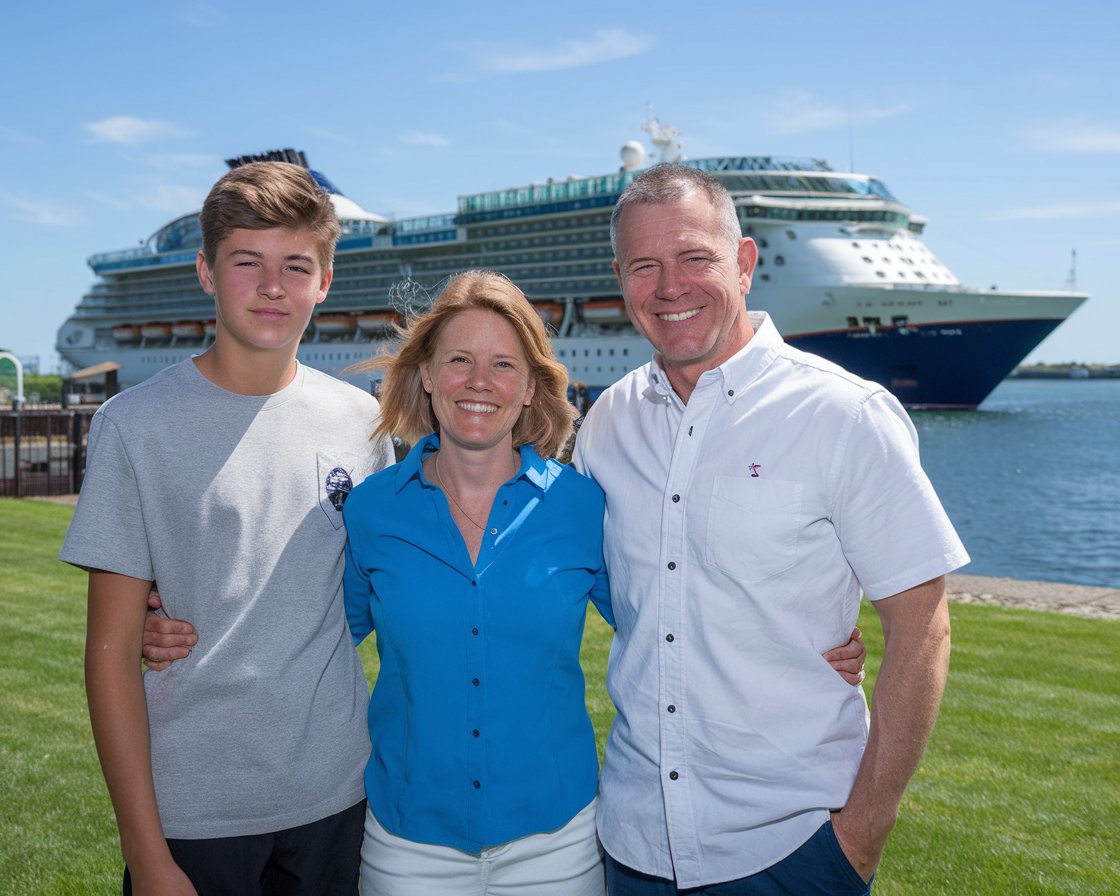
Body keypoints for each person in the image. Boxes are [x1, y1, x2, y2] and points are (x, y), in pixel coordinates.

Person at [572, 164, 970, 895]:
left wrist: (862, 831)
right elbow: (626, 585)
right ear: (620, 280)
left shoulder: (843, 414)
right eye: (644, 266)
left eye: (695, 258)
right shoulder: (608, 422)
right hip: (631, 843)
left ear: (745, 263)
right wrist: (759, 623)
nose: (670, 287)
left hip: (795, 847)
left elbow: (924, 628)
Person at [60, 161, 394, 894]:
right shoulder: (134, 424)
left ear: (326, 281)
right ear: (207, 272)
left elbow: (370, 593)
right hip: (193, 817)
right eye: (248, 262)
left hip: (339, 797)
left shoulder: (364, 423)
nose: (274, 286)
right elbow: (109, 655)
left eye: (296, 266)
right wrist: (148, 859)